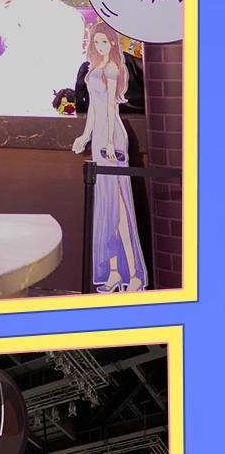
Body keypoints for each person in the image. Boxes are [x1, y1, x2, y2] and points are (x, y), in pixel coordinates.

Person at [72, 22, 148, 293]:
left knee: (120, 207)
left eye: (104, 41)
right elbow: (94, 108)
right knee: (106, 207)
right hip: (100, 137)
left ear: (113, 42)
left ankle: (134, 273)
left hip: (113, 136)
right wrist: (85, 136)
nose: (100, 46)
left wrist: (109, 142)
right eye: (97, 42)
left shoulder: (113, 68)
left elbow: (109, 109)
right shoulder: (94, 69)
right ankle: (114, 272)